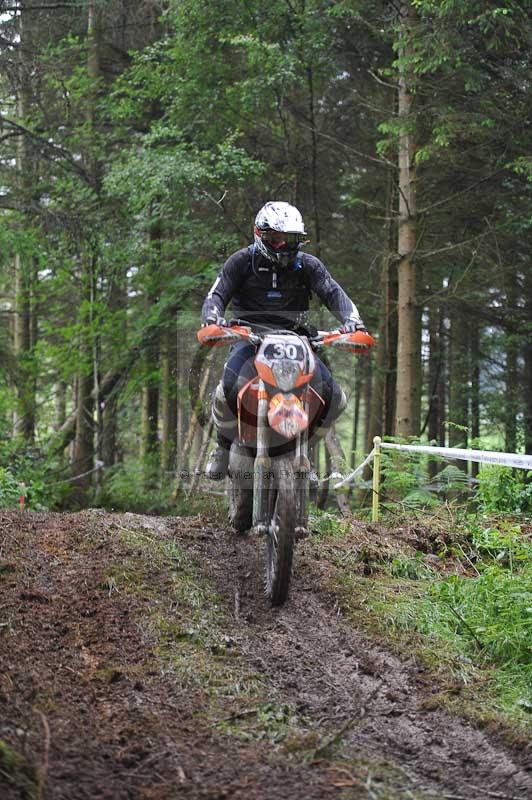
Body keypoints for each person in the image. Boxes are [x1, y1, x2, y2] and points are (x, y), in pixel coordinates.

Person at [201, 201, 367, 479]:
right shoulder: (242, 261)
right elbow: (217, 293)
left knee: (334, 397)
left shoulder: (308, 265)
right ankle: (222, 444)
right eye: (277, 239)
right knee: (227, 387)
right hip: (249, 337)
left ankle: (306, 452)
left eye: (290, 240)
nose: (284, 246)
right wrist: (212, 318)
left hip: (296, 340)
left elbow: (333, 292)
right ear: (260, 234)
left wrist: (353, 322)